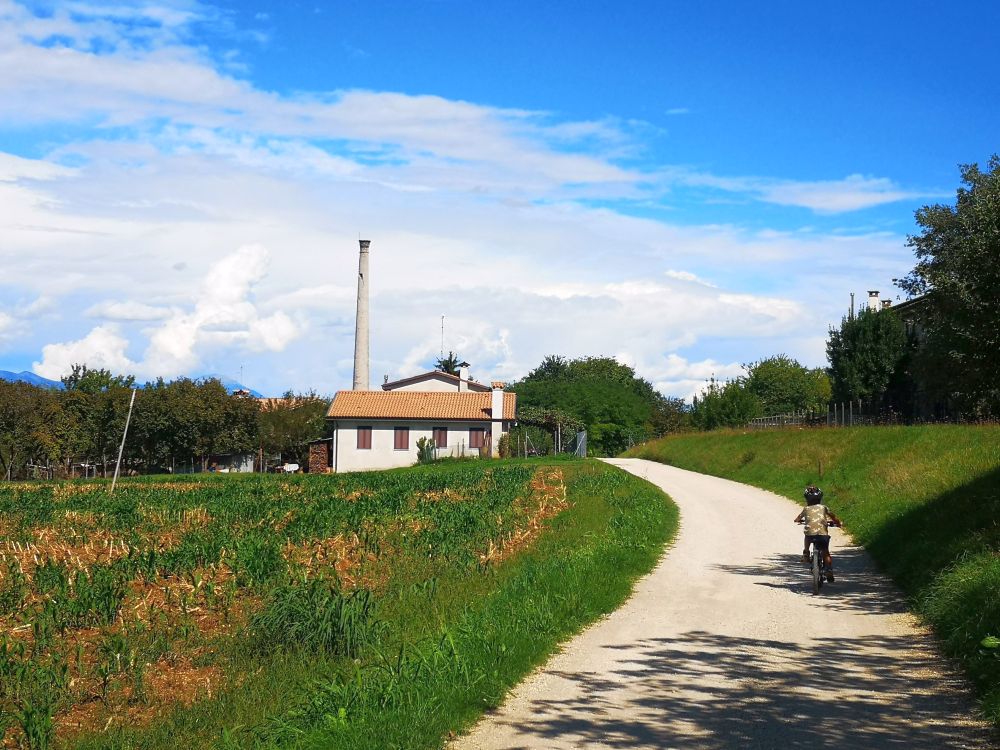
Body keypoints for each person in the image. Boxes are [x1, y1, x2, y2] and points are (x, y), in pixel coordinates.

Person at [793, 485, 843, 582]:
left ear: (807, 499)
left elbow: (798, 518)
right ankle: (828, 570)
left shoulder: (806, 509)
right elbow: (832, 516)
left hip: (810, 534)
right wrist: (838, 523)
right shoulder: (824, 507)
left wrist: (797, 520)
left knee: (807, 536)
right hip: (822, 534)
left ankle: (806, 553)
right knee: (826, 553)